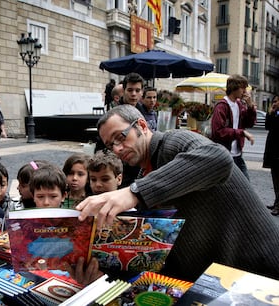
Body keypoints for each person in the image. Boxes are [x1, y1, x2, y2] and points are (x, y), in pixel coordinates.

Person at [76, 104, 279, 282]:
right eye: (110, 145)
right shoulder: (144, 171)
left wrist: (134, 192)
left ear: (142, 125)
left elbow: (219, 158)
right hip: (220, 279)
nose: (118, 148)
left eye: (120, 137)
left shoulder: (174, 141)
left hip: (259, 269)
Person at [211, 75, 256, 180]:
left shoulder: (239, 105)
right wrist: (242, 133)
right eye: (242, 88)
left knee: (246, 186)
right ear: (233, 88)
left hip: (237, 154)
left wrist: (250, 107)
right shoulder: (222, 106)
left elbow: (249, 123)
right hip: (224, 155)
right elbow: (218, 132)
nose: (245, 91)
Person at [263, 95, 279, 216]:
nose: (275, 103)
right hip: (273, 150)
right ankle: (276, 202)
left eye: (277, 101)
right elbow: (268, 126)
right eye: (274, 101)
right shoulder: (274, 113)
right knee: (275, 178)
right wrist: (270, 112)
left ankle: (278, 205)